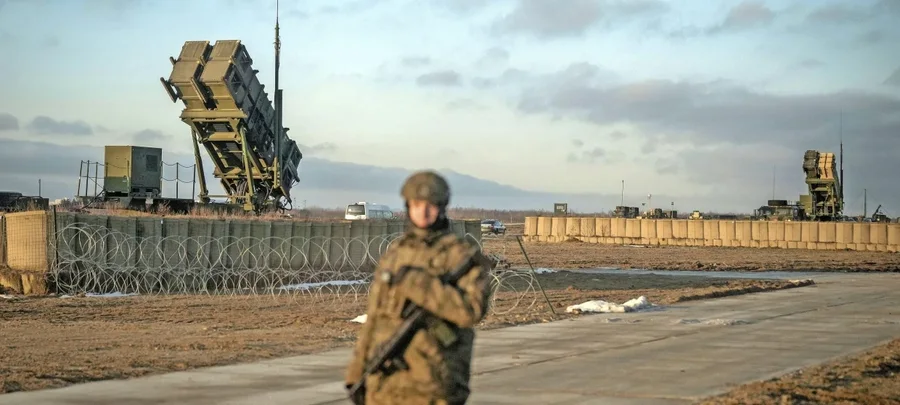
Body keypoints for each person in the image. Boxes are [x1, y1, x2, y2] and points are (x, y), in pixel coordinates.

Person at [345, 170, 494, 405]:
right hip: (385, 384)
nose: (422, 212)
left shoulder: (460, 256)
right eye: (416, 205)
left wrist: (420, 285)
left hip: (433, 385)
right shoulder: (396, 254)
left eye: (430, 205)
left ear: (442, 207)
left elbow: (471, 310)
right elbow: (374, 318)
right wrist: (356, 373)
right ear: (408, 206)